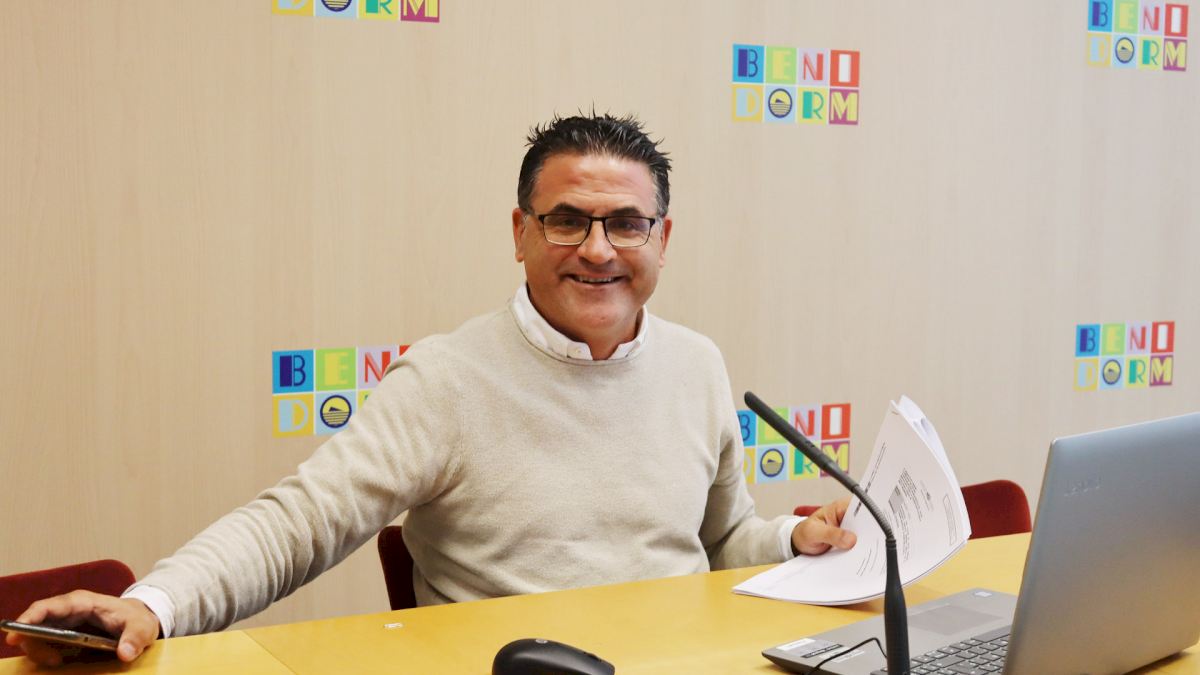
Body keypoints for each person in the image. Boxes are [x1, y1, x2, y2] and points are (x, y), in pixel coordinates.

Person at [6, 113, 857, 665]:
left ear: (662, 238)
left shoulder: (698, 363)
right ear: (521, 233)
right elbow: (298, 521)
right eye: (568, 219)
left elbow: (720, 538)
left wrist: (791, 539)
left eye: (626, 223)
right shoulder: (448, 379)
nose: (598, 249)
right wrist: (154, 603)